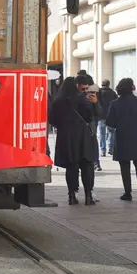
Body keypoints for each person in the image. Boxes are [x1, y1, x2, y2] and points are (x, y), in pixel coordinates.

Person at [50, 77, 97, 206]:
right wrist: (94, 103)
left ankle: (72, 196)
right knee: (87, 166)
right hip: (83, 136)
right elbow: (91, 116)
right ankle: (88, 196)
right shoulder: (84, 99)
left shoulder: (58, 101)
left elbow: (52, 120)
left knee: (72, 167)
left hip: (67, 137)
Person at [107, 78, 137, 203]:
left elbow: (110, 122)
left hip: (122, 136)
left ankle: (127, 192)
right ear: (132, 87)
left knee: (124, 165)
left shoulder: (115, 103)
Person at [98, 79, 118, 157]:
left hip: (101, 115)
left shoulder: (98, 93)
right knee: (111, 132)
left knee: (102, 134)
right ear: (109, 84)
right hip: (110, 116)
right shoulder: (113, 93)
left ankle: (103, 150)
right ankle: (111, 148)